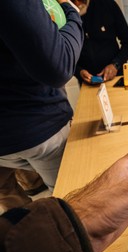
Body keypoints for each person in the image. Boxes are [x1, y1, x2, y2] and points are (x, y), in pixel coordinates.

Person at [0, 148, 128, 252]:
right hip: (42, 132)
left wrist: (84, 225)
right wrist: (84, 218)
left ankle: (30, 192)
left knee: (7, 191)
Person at [0, 0, 83, 192]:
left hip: (11, 136)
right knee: (73, 201)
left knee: (14, 213)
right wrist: (72, 13)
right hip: (36, 124)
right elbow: (60, 66)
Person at [71, 0, 128, 84]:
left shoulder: (107, 4)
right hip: (87, 82)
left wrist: (115, 64)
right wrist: (79, 71)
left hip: (116, 78)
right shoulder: (65, 13)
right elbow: (64, 55)